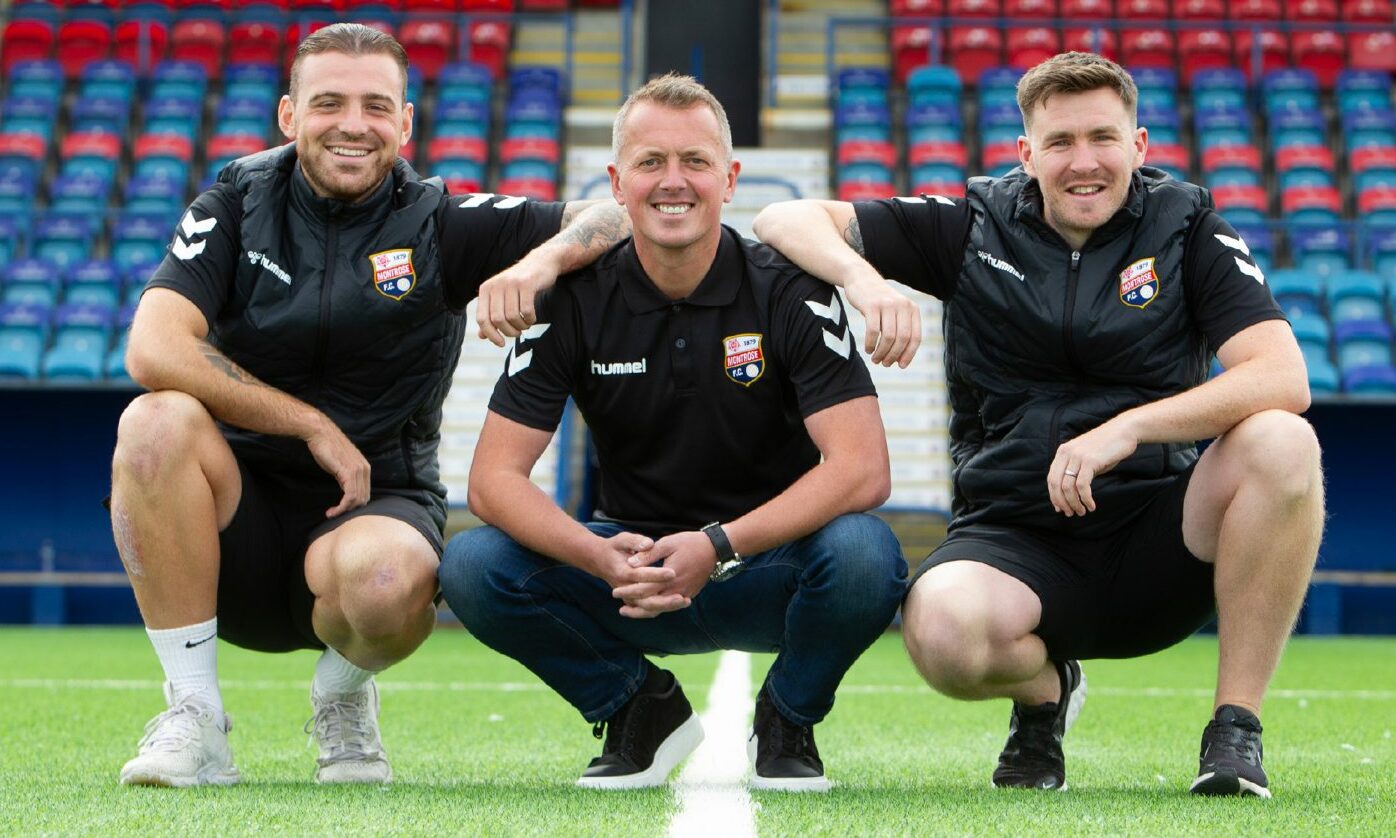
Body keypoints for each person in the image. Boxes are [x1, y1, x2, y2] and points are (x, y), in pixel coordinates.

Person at [753, 51, 1323, 798]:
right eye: (1059, 143)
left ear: (1139, 146)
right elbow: (779, 216)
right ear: (1026, 154)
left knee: (1283, 439)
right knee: (939, 632)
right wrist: (863, 279)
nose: (1082, 162)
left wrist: (1129, 430)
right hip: (1015, 533)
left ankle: (1234, 732)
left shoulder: (1190, 227)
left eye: (1102, 138)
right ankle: (1042, 699)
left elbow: (1283, 376)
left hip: (1159, 536)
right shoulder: (974, 223)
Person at [110, 23, 630, 787]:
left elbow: (613, 217)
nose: (354, 125)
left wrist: (540, 261)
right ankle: (194, 716)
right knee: (152, 420)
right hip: (232, 526)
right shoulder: (235, 200)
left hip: (376, 509)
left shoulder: (438, 220)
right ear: (289, 115)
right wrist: (310, 424)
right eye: (329, 103)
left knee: (386, 582)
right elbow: (152, 348)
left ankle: (344, 693)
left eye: (376, 107)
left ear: (406, 122)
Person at [437, 74, 908, 792]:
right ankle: (637, 708)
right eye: (650, 162)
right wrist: (595, 554)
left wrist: (717, 545)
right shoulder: (570, 297)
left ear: (730, 176)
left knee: (866, 555)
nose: (673, 182)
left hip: (765, 567)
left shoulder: (788, 288)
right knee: (472, 566)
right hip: (631, 571)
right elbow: (492, 481)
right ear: (617, 182)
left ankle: (787, 717)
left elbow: (863, 470)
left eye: (694, 161)